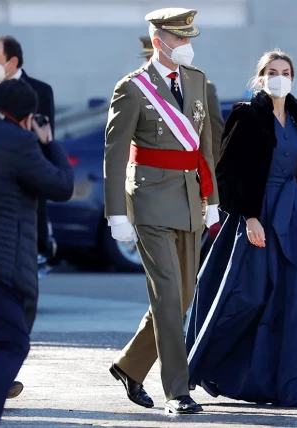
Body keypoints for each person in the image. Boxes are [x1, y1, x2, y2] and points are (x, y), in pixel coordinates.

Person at [185, 49, 297, 407]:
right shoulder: (246, 115)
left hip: (295, 217)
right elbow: (227, 173)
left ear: (293, 77)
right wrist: (250, 217)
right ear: (260, 78)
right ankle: (225, 373)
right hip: (257, 216)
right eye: (272, 71)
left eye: (285, 71)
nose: (279, 77)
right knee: (249, 297)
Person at [104, 8, 219, 415]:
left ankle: (130, 366)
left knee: (183, 297)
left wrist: (214, 201)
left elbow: (207, 148)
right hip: (150, 200)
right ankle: (178, 391)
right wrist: (116, 213)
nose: (187, 46)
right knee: (168, 295)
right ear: (159, 42)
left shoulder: (198, 81)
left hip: (191, 199)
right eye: (180, 39)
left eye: (189, 39)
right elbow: (115, 155)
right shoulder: (133, 88)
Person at [0, 79, 74, 428]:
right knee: (12, 343)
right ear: (25, 117)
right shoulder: (21, 142)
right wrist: (49, 143)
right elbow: (62, 185)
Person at [0, 34, 58, 400]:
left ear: (12, 61)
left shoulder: (40, 91)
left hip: (25, 206)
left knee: (24, 299)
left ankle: (5, 364)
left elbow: (45, 150)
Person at [137, 35, 224, 165]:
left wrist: (213, 172)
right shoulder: (138, 86)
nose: (150, 63)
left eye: (153, 58)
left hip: (190, 169)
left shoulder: (202, 87)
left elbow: (214, 135)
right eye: (148, 59)